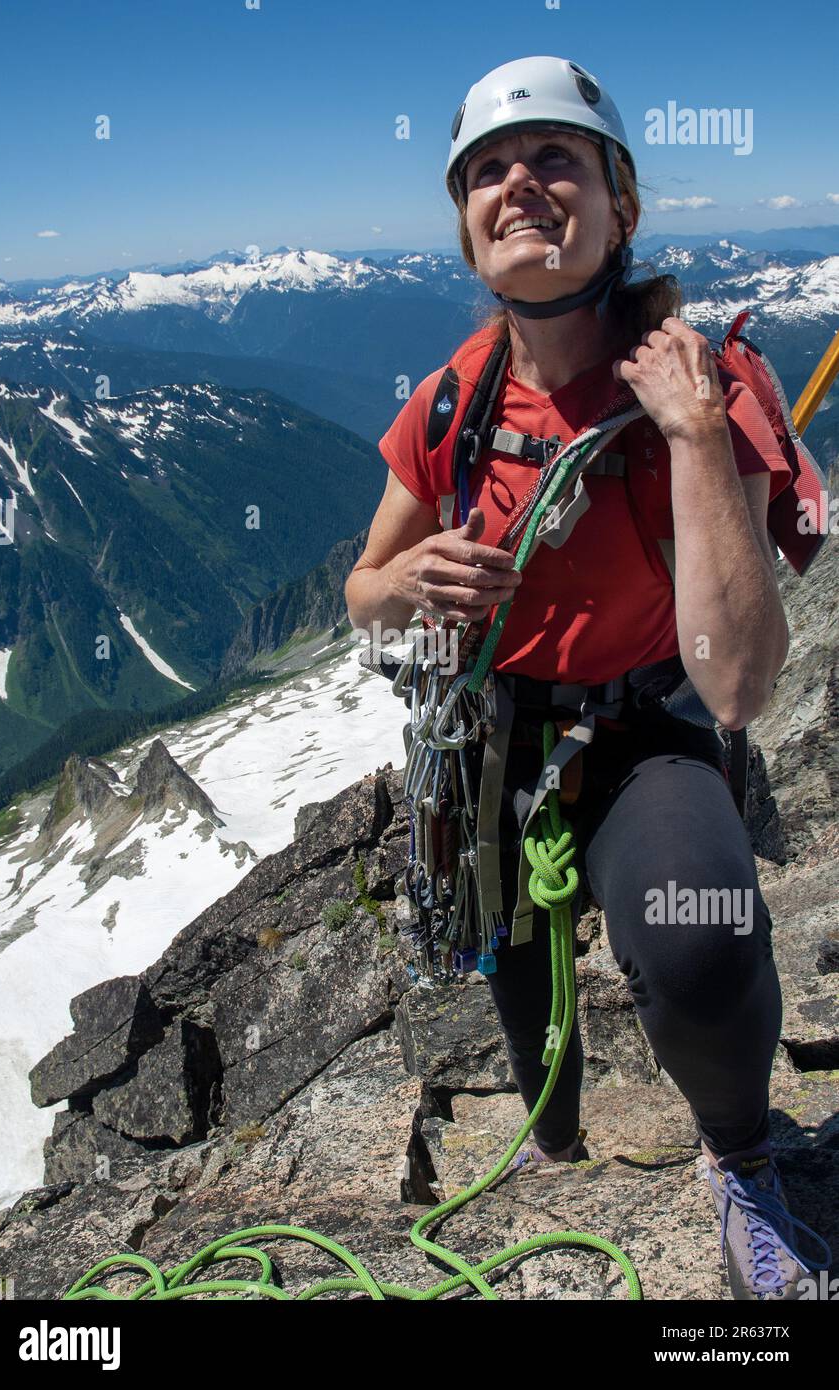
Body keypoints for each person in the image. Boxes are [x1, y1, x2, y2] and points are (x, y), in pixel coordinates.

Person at [344, 56, 832, 1301]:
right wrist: (414, 583)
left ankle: (743, 1161)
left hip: (644, 725)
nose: (522, 186)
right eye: (490, 173)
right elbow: (362, 588)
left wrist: (694, 437)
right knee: (523, 1014)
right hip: (491, 737)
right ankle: (553, 1142)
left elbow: (739, 686)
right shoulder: (452, 401)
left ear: (620, 203)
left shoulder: (706, 387)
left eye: (557, 159)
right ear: (465, 225)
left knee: (701, 942)